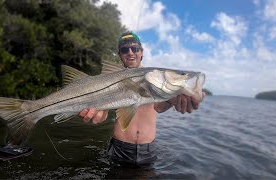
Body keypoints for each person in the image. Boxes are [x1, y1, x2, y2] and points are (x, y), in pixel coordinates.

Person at [78, 31, 204, 166]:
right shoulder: (109, 80)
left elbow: (158, 107)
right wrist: (99, 116)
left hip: (147, 150)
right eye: (125, 49)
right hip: (119, 147)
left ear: (141, 52)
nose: (130, 52)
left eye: (135, 48)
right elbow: (103, 113)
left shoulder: (156, 79)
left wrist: (172, 99)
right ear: (120, 55)